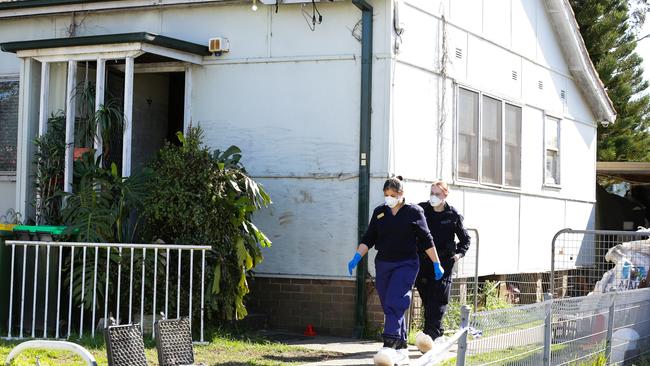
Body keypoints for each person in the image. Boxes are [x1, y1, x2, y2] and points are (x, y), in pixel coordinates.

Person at [347, 176, 444, 365]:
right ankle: (401, 348)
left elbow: (426, 239)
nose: (388, 198)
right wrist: (357, 256)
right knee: (389, 305)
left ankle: (388, 345)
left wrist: (436, 262)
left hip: (406, 264)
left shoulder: (414, 212)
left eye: (392, 195)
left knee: (395, 301)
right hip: (383, 263)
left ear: (401, 194)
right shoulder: (380, 212)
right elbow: (369, 237)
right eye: (386, 195)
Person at [414, 181, 471, 352]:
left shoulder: (452, 215)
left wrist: (458, 255)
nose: (433, 197)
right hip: (423, 264)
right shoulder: (422, 210)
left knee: (438, 302)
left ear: (445, 195)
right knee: (427, 301)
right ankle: (435, 335)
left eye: (437, 194)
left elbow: (465, 239)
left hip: (444, 265)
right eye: (432, 193)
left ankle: (430, 337)